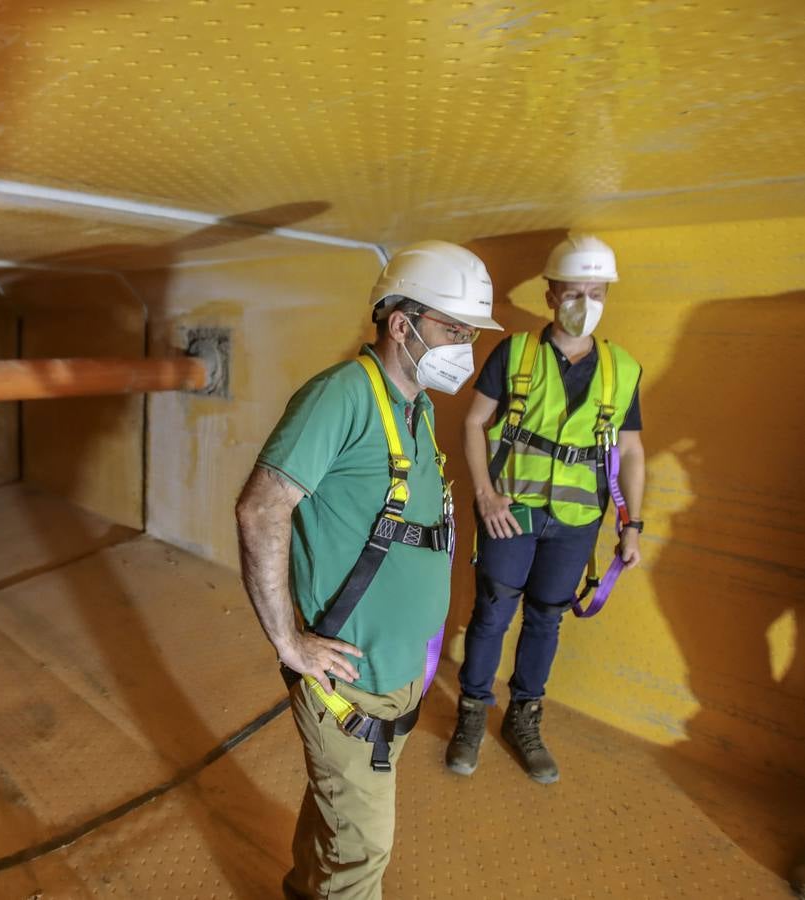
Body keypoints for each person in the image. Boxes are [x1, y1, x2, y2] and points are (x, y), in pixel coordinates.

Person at [236, 241, 502, 899]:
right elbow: (260, 509)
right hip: (348, 686)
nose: (464, 349)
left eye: (470, 333)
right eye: (452, 330)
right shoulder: (342, 396)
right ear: (402, 325)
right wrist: (286, 641)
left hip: (394, 678)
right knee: (363, 855)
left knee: (340, 819)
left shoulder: (411, 407)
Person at [445, 234, 646, 784]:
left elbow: (629, 449)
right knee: (491, 612)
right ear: (551, 294)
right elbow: (471, 423)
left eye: (597, 291)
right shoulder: (515, 353)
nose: (586, 302)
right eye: (574, 291)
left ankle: (523, 719)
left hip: (578, 521)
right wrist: (485, 495)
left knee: (546, 619)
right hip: (512, 511)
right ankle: (471, 715)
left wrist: (632, 527)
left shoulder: (621, 369)